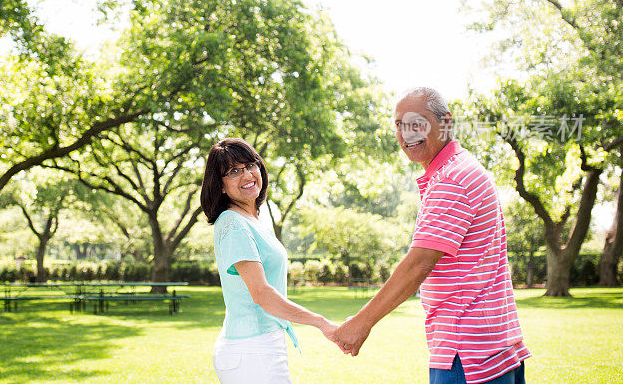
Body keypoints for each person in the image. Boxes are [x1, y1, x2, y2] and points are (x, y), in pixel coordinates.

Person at [334, 87, 531, 384]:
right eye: (399, 125)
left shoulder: (451, 179)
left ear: (446, 123)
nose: (406, 133)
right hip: (493, 347)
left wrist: (361, 324)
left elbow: (418, 264)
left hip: (468, 353)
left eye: (417, 123)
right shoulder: (459, 169)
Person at [201, 138, 339, 383]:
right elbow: (262, 293)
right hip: (251, 350)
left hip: (260, 347)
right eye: (233, 171)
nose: (247, 175)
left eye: (250, 165)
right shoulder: (232, 222)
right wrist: (321, 323)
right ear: (220, 185)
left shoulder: (252, 220)